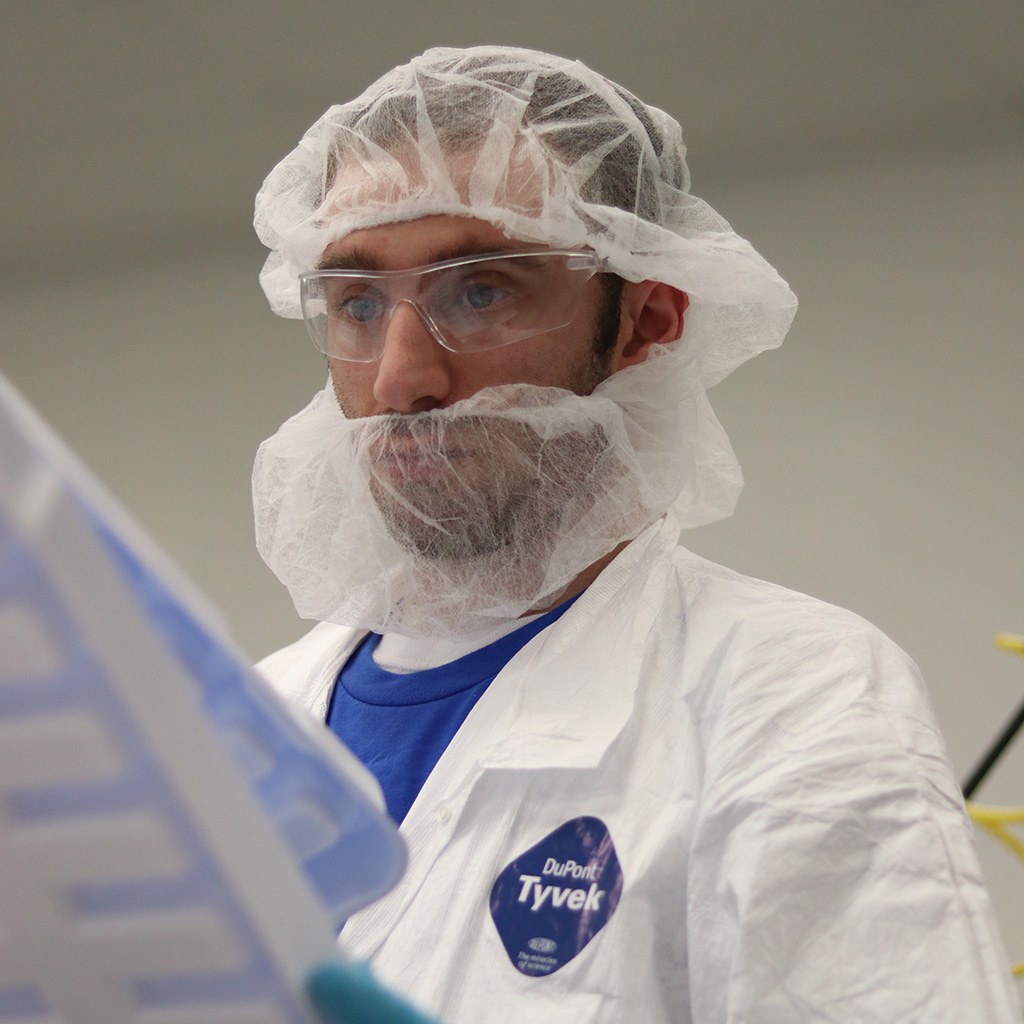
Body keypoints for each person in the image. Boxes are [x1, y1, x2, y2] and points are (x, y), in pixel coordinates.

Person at [250, 46, 1021, 1023]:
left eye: (478, 292)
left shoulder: (786, 695)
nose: (400, 378)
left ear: (645, 320)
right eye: (357, 303)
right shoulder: (240, 722)